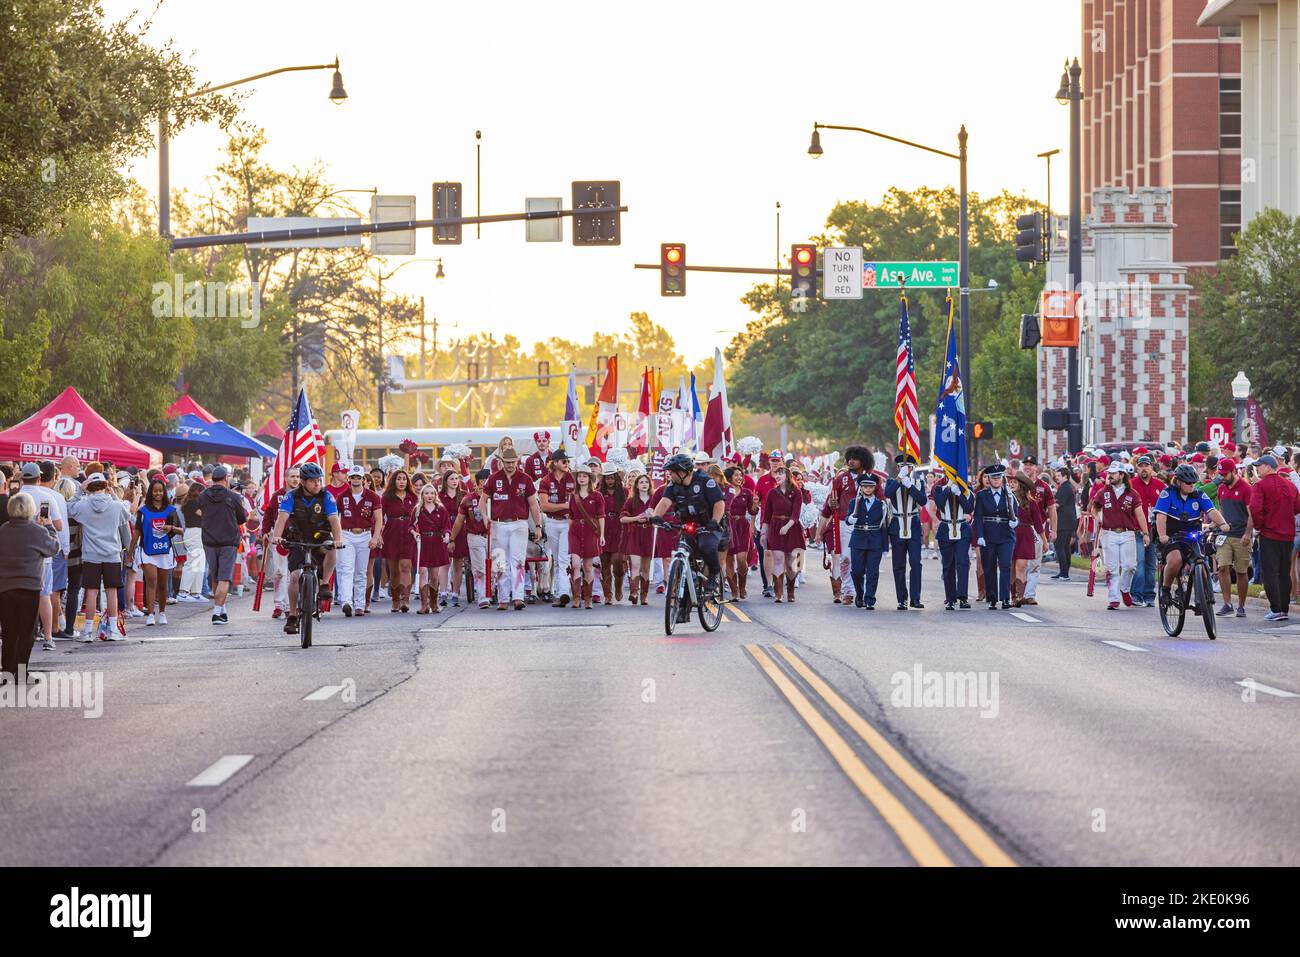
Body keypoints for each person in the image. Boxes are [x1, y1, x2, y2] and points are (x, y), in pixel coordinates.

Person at [268, 462, 344, 634]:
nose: (317, 484)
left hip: (320, 538)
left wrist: (338, 540)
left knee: (331, 549)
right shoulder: (291, 497)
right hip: (297, 539)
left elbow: (334, 520)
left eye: (319, 480)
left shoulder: (327, 496)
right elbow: (282, 518)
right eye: (312, 481)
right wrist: (277, 537)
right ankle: (293, 615)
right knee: (294, 577)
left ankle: (324, 584)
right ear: (302, 482)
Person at [0, 493, 62, 680]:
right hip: (29, 587)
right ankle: (20, 672)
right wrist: (50, 526)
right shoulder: (37, 531)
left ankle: (7, 671)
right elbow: (54, 548)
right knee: (26, 632)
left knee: (9, 630)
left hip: (5, 588)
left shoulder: (2, 530)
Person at [1154, 464, 1230, 612]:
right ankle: (1165, 588)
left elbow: (1211, 510)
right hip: (1172, 536)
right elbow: (1161, 517)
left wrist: (1223, 523)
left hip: (1192, 535)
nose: (1192, 485)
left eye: (1194, 482)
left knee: (1200, 562)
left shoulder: (1199, 494)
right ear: (1178, 481)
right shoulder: (1167, 493)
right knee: (1175, 560)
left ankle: (1201, 598)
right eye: (1188, 483)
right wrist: (1162, 535)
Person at [651, 452, 726, 598]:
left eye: (671, 472)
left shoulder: (705, 481)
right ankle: (682, 608)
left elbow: (719, 503)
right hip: (688, 525)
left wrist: (714, 521)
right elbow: (665, 501)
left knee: (706, 546)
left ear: (681, 472)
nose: (669, 475)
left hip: (709, 525)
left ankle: (714, 575)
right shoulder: (673, 484)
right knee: (682, 555)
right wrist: (655, 517)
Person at [67, 473, 130, 641]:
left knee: (91, 592)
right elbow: (127, 515)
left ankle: (88, 631)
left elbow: (70, 507)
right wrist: (114, 495)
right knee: (112, 592)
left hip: (91, 554)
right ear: (105, 486)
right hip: (112, 553)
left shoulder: (83, 505)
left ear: (89, 487)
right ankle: (113, 630)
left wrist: (80, 491)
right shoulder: (116, 506)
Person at [478, 446, 542, 611]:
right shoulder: (493, 479)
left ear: (517, 461)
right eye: (507, 462)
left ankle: (518, 597)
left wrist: (538, 526)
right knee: (500, 561)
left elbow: (533, 504)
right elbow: (483, 501)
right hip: (498, 524)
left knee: (518, 560)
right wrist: (485, 517)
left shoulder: (525, 479)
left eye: (513, 461)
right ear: (501, 462)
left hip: (519, 523)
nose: (510, 465)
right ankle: (503, 598)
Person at [18, 462, 67, 646]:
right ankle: (48, 637)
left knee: (20, 595)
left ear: (22, 478)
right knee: (44, 595)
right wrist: (45, 524)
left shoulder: (16, 496)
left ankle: (22, 636)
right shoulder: (47, 497)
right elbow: (59, 526)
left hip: (19, 553)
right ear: (39, 478)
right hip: (42, 554)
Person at [1089, 462, 1149, 610]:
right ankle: (1113, 598)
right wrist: (1098, 518)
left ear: (1122, 475)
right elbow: (1094, 508)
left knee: (1130, 566)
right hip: (1109, 532)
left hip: (1128, 533)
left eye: (1114, 473)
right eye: (1109, 473)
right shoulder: (1103, 492)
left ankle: (1125, 589)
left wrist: (1146, 533)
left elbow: (1140, 514)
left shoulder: (1132, 494)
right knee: (1112, 568)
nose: (1110, 475)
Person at [1248, 454, 1299, 621]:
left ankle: (1276, 609)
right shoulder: (1290, 485)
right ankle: (1283, 609)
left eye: (1260, 466)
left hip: (1270, 533)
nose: (1257, 469)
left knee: (1269, 572)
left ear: (1268, 467)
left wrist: (1260, 526)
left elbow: (1255, 509)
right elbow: (1297, 507)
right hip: (1288, 534)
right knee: (1284, 572)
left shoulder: (1260, 485)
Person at [197, 465, 249, 626]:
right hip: (228, 540)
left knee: (215, 575)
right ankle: (217, 613)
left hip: (209, 540)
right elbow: (242, 518)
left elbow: (200, 512)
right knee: (224, 577)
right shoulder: (233, 497)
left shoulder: (203, 496)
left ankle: (221, 608)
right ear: (226, 479)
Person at [131, 478, 184, 626]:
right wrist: (130, 552)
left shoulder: (171, 510)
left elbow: (181, 530)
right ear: (150, 492)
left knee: (162, 584)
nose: (158, 493)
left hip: (164, 550)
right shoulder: (143, 511)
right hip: (147, 550)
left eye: (160, 490)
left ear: (164, 492)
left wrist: (171, 528)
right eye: (155, 491)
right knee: (151, 580)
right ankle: (150, 614)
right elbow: (137, 531)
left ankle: (162, 612)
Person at [336, 465, 383, 617]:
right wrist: (336, 537)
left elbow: (379, 518)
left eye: (359, 477)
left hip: (364, 534)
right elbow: (335, 518)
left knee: (361, 572)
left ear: (363, 479)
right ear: (349, 479)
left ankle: (360, 605)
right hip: (346, 534)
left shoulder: (373, 496)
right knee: (346, 569)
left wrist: (375, 537)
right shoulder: (342, 496)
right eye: (353, 477)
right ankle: (346, 602)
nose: (356, 480)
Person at [885, 454, 927, 610]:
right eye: (902, 467)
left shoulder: (917, 482)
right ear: (897, 468)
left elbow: (922, 500)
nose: (906, 469)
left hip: (913, 524)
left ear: (912, 468)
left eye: (908, 467)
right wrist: (898, 480)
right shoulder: (891, 482)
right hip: (897, 524)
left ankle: (915, 598)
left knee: (916, 562)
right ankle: (901, 598)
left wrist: (909, 486)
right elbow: (888, 494)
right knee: (898, 564)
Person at [1213, 458, 1253, 618]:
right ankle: (1227, 603)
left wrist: (1248, 534)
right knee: (1223, 567)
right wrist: (1216, 524)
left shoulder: (1246, 488)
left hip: (1241, 535)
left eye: (1225, 474)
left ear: (1234, 472)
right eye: (1220, 474)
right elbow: (1221, 509)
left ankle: (1241, 605)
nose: (1222, 477)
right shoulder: (1221, 488)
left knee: (1241, 571)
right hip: (1225, 535)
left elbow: (1251, 515)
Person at [973, 464, 1017, 610]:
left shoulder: (1009, 494)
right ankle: (992, 597)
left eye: (999, 478)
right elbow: (978, 517)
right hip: (988, 534)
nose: (997, 481)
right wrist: (979, 535)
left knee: (1005, 565)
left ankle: (1005, 598)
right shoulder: (981, 495)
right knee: (989, 566)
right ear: (989, 480)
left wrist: (1015, 521)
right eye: (994, 478)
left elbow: (1015, 514)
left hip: (1006, 535)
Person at [761, 462, 805, 603]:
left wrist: (787, 526)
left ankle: (790, 591)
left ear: (787, 476)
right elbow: (766, 516)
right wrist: (763, 533)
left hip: (792, 528)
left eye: (781, 473)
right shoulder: (772, 493)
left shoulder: (796, 492)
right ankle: (778, 593)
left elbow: (796, 514)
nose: (778, 476)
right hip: (775, 527)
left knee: (792, 563)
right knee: (778, 559)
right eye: (776, 474)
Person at [845, 473, 890, 609]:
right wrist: (853, 516)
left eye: (870, 486)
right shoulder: (855, 502)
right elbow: (847, 521)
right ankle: (860, 594)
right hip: (858, 539)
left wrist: (885, 546)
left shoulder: (881, 504)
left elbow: (884, 526)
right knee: (857, 571)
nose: (868, 489)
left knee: (872, 571)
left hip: (875, 540)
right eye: (865, 486)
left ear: (875, 487)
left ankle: (870, 599)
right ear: (861, 487)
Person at [538, 450, 576, 607]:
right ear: (554, 462)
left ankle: (564, 592)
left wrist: (566, 508)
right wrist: (565, 505)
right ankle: (561, 592)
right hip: (552, 522)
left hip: (568, 522)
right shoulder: (545, 481)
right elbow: (544, 505)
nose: (566, 463)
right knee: (555, 558)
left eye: (567, 460)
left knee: (563, 558)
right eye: (563, 461)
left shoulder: (572, 478)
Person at [931, 472, 974, 610]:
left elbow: (969, 508)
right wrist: (949, 488)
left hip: (962, 528)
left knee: (962, 562)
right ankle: (950, 598)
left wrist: (959, 494)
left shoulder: (967, 489)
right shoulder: (939, 488)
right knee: (948, 565)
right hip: (946, 527)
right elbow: (940, 503)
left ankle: (962, 597)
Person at [450, 468, 492, 608]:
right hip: (475, 536)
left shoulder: (497, 497)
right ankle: (482, 596)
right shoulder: (468, 499)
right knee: (479, 568)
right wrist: (452, 539)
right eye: (483, 481)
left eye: (488, 480)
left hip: (495, 536)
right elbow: (459, 520)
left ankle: (496, 591)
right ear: (477, 483)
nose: (485, 484)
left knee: (497, 567)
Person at [1128, 455, 1167, 605]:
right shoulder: (1131, 485)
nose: (1144, 468)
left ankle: (1149, 595)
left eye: (1147, 465)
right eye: (1141, 466)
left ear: (1151, 468)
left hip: (1155, 530)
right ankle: (1136, 594)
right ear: (1137, 468)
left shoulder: (1160, 485)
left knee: (1152, 564)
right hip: (1136, 529)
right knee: (1139, 562)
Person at [566, 464, 605, 609]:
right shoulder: (572, 496)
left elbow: (601, 516)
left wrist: (601, 534)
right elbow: (570, 516)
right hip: (575, 530)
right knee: (575, 564)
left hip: (590, 530)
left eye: (584, 476)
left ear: (590, 478)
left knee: (588, 567)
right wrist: (568, 535)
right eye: (579, 476)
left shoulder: (597, 496)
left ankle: (588, 598)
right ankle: (576, 598)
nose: (581, 478)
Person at [380, 469, 418, 613]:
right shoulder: (386, 497)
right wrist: (379, 534)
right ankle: (395, 601)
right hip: (392, 533)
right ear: (393, 481)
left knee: (406, 566)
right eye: (398, 479)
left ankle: (405, 600)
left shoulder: (413, 497)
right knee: (394, 570)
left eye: (404, 479)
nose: (401, 481)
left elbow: (419, 516)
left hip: (409, 533)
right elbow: (379, 517)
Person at [413, 484, 451, 614]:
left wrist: (446, 535)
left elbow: (446, 526)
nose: (429, 496)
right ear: (422, 495)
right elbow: (410, 526)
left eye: (432, 493)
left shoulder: (441, 510)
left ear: (435, 495)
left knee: (434, 576)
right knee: (423, 572)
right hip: (422, 543)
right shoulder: (417, 510)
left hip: (436, 543)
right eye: (426, 493)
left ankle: (434, 604)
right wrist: (414, 533)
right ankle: (424, 605)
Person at [620, 474, 656, 605]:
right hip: (635, 534)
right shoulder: (631, 500)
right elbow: (622, 518)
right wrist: (636, 518)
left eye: (646, 482)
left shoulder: (653, 500)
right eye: (641, 482)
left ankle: (644, 596)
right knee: (635, 565)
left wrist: (653, 517)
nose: (644, 484)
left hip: (648, 534)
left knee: (646, 568)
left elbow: (660, 515)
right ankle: (634, 592)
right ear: (636, 485)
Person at [724, 465, 758, 600]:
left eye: (740, 475)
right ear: (729, 477)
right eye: (736, 475)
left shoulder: (747, 492)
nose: (739, 477)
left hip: (743, 526)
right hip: (727, 526)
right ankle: (734, 590)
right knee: (728, 561)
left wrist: (755, 504)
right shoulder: (724, 491)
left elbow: (752, 511)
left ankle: (742, 587)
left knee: (741, 560)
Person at [597, 463, 627, 604]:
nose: (610, 481)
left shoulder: (625, 492)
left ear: (616, 478)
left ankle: (618, 586)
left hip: (619, 529)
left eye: (612, 478)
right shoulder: (598, 493)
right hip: (603, 528)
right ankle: (607, 594)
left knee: (618, 561)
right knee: (604, 563)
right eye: (607, 478)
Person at [439, 470, 469, 608]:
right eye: (451, 478)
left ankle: (456, 594)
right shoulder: (439, 496)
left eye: (456, 478)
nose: (455, 481)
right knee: (445, 562)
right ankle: (443, 592)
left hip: (460, 531)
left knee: (458, 563)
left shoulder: (463, 495)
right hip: (444, 530)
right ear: (446, 481)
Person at [1050, 466, 1078, 581]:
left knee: (1059, 546)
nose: (1057, 478)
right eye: (1056, 476)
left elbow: (1056, 505)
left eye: (1058, 476)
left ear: (1065, 476)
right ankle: (1064, 571)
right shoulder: (1067, 487)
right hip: (1069, 520)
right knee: (1065, 546)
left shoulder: (1065, 488)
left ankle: (1064, 572)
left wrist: (1047, 511)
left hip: (1063, 521)